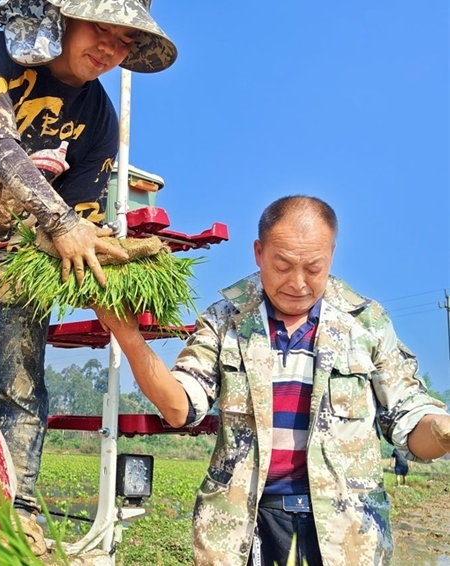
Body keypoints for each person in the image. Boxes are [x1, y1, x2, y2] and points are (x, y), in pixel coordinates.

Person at [0, 0, 176, 544]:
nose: (108, 49)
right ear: (63, 20)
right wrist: (59, 219)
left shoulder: (100, 117)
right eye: (100, 29)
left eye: (123, 42)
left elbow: (81, 220)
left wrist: (112, 252)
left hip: (22, 264)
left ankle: (17, 511)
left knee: (24, 389)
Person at [94, 195, 450, 566]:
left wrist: (440, 429)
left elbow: (410, 424)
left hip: (346, 532)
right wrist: (128, 335)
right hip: (243, 527)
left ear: (331, 254)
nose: (297, 283)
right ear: (258, 253)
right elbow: (180, 406)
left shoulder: (366, 323)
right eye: (282, 265)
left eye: (314, 268)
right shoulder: (224, 321)